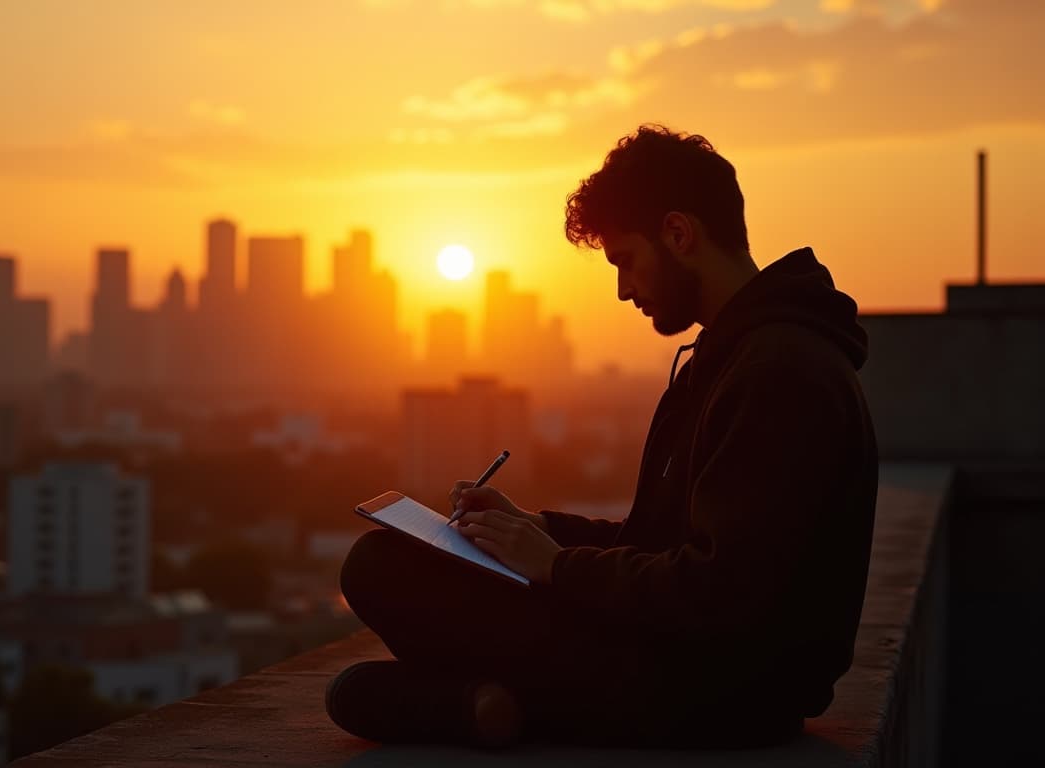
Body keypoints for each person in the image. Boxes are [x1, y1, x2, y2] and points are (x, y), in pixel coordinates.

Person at [326, 124, 879, 749]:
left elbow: (722, 594)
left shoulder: (780, 373)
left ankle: (491, 708)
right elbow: (660, 542)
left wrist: (558, 569)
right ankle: (486, 707)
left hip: (720, 691)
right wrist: (537, 529)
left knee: (373, 599)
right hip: (687, 663)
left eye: (625, 261)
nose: (622, 290)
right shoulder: (732, 359)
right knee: (389, 587)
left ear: (678, 233)